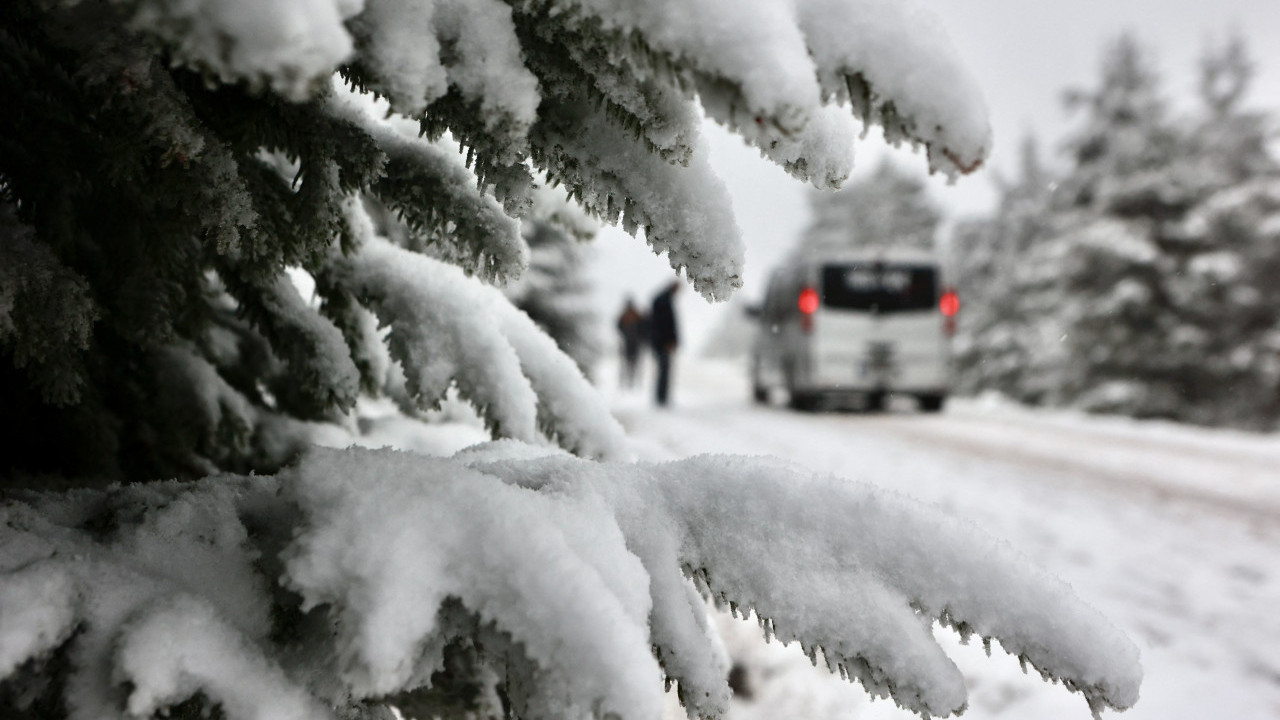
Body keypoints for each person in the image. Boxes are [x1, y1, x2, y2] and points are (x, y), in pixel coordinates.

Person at [649, 280, 680, 406]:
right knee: (664, 371)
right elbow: (665, 324)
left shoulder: (663, 299)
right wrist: (668, 341)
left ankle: (662, 397)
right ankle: (662, 398)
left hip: (661, 343)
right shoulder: (663, 301)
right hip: (662, 344)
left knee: (663, 371)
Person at [615, 297, 647, 389]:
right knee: (626, 363)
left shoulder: (637, 316)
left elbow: (643, 328)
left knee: (634, 363)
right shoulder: (624, 317)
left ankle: (632, 382)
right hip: (627, 343)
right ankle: (625, 382)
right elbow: (619, 327)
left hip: (635, 344)